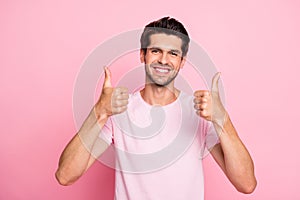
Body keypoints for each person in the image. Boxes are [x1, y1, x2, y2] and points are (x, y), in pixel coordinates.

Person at [55, 17, 257, 199]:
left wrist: (222, 119)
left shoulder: (200, 113)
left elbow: (246, 184)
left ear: (182, 61)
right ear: (142, 55)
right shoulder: (118, 111)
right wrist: (100, 111)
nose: (163, 60)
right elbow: (65, 176)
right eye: (155, 51)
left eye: (173, 53)